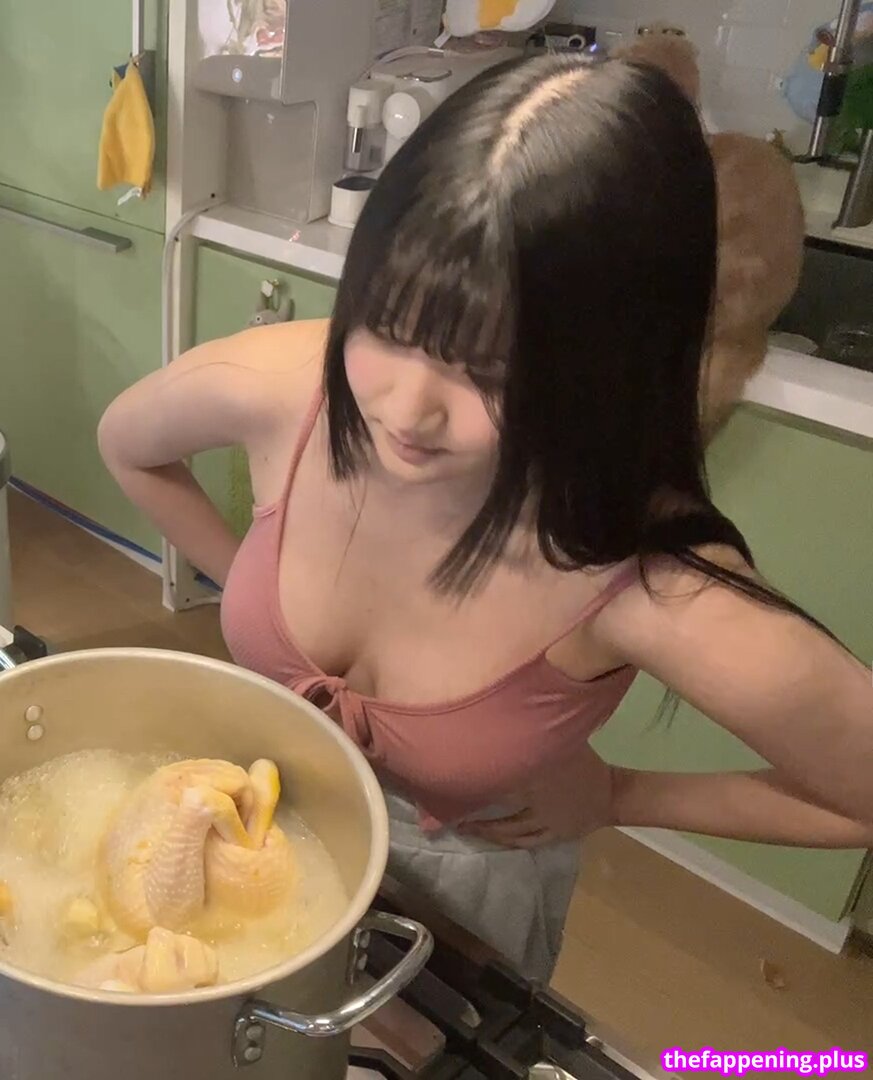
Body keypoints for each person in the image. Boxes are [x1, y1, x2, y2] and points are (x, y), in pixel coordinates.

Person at [98, 53, 873, 985]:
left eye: (491, 372)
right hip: (261, 836)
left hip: (455, 914)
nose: (405, 410)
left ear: (609, 370)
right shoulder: (286, 389)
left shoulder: (639, 577)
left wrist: (621, 793)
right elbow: (127, 446)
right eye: (387, 324)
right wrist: (252, 580)